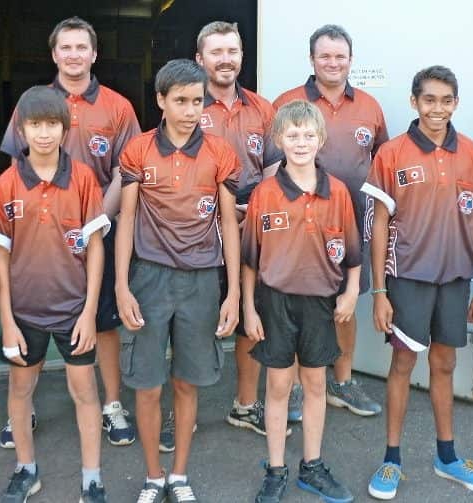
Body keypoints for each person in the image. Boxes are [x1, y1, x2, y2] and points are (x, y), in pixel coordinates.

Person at [0, 16, 142, 449]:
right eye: (66, 48)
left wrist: (96, 217)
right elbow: (15, 166)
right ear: (54, 54)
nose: (74, 55)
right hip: (42, 235)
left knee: (102, 321)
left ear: (94, 54)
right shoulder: (33, 104)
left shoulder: (118, 106)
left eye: (82, 47)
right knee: (35, 317)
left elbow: (126, 170)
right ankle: (22, 410)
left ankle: (111, 405)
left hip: (99, 229)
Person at [365, 66, 473, 500]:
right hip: (408, 279)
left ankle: (447, 457)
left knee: (444, 365)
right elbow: (379, 223)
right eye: (429, 100)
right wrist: (380, 291)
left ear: (455, 103)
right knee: (403, 365)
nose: (437, 108)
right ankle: (391, 459)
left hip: (456, 278)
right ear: (414, 102)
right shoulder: (392, 153)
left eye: (446, 100)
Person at [115, 59, 240, 503]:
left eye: (197, 101)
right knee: (147, 385)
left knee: (188, 381)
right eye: (181, 101)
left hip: (202, 281)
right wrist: (121, 286)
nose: (191, 110)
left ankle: (180, 475)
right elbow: (126, 217)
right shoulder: (138, 150)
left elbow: (228, 222)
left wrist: (234, 295)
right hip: (148, 279)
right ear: (161, 101)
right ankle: (153, 476)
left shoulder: (220, 152)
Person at [0, 86, 110, 502]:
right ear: (21, 130)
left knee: (85, 392)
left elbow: (95, 247)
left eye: (51, 124)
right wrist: (6, 322)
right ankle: (26, 470)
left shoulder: (83, 178)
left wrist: (89, 313)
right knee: (20, 392)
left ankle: (91, 478)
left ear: (64, 128)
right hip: (24, 311)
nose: (43, 134)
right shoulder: (6, 183)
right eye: (35, 125)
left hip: (74, 309)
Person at [243, 100, 358, 503]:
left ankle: (312, 464)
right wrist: (249, 308)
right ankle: (276, 468)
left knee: (314, 382)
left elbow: (354, 254)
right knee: (278, 385)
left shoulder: (338, 192)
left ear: (321, 139)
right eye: (292, 135)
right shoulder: (266, 193)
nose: (301, 141)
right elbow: (250, 260)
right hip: (275, 302)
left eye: (309, 134)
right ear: (279, 140)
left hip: (320, 303)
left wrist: (351, 291)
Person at [273, 24, 388, 417]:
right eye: (325, 56)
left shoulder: (370, 107)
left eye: (340, 56)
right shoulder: (288, 102)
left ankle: (342, 382)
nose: (333, 63)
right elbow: (272, 165)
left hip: (351, 228)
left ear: (351, 60)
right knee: (295, 309)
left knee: (344, 305)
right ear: (311, 59)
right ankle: (295, 391)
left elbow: (382, 161)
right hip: (297, 231)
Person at [194, 20, 285, 436]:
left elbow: (274, 166)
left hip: (252, 225)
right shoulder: (187, 105)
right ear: (200, 59)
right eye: (216, 52)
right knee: (192, 322)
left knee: (253, 317)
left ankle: (245, 406)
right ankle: (183, 410)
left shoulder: (263, 109)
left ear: (242, 56)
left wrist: (256, 206)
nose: (225, 59)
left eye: (232, 51)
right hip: (197, 230)